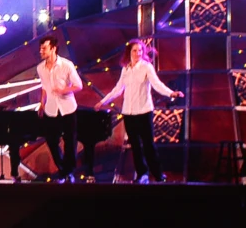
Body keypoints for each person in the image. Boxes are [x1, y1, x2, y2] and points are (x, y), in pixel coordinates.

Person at [94, 39, 184, 184]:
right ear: (129, 52)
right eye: (135, 51)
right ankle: (142, 174)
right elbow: (118, 89)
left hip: (144, 111)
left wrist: (171, 93)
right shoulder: (126, 69)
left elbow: (157, 84)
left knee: (148, 145)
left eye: (140, 51)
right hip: (129, 113)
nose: (138, 53)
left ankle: (158, 174)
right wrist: (103, 102)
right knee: (135, 146)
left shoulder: (146, 67)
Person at [36, 36, 83, 183]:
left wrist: (63, 90)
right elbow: (44, 88)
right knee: (51, 140)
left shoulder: (66, 65)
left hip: (67, 108)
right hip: (50, 109)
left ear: (53, 48)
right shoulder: (40, 68)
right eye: (41, 48)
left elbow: (79, 85)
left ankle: (68, 172)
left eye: (44, 48)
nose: (41, 51)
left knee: (70, 142)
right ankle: (63, 168)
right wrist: (41, 104)